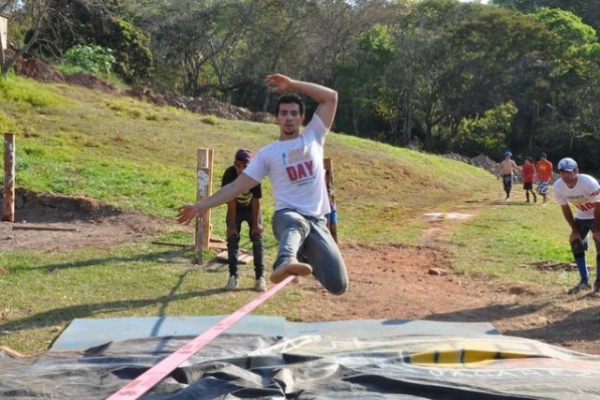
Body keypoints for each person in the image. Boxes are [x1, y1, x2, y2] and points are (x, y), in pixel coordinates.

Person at [177, 73, 349, 295]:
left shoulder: (314, 136)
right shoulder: (268, 154)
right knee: (297, 223)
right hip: (287, 217)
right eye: (283, 113)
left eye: (294, 113)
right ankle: (285, 261)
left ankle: (302, 255)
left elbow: (331, 97)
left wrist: (293, 84)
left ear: (302, 117)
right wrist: (199, 206)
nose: (289, 118)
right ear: (276, 118)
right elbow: (236, 187)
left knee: (338, 285)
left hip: (317, 221)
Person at [553, 157, 600, 296]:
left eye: (568, 172)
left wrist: (597, 230)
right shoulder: (558, 186)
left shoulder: (588, 182)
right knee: (575, 242)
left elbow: (598, 207)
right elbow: (565, 208)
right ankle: (585, 281)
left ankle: (599, 283)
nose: (565, 175)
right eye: (562, 172)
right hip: (583, 215)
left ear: (576, 171)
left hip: (598, 213)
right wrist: (574, 230)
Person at [221, 149, 266, 292]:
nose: (240, 170)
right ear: (234, 164)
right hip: (235, 207)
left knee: (257, 238)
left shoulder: (255, 176)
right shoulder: (229, 174)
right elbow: (230, 200)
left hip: (251, 208)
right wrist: (232, 226)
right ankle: (233, 276)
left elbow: (256, 201)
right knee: (232, 238)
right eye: (238, 166)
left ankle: (260, 277)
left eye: (244, 167)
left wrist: (256, 225)